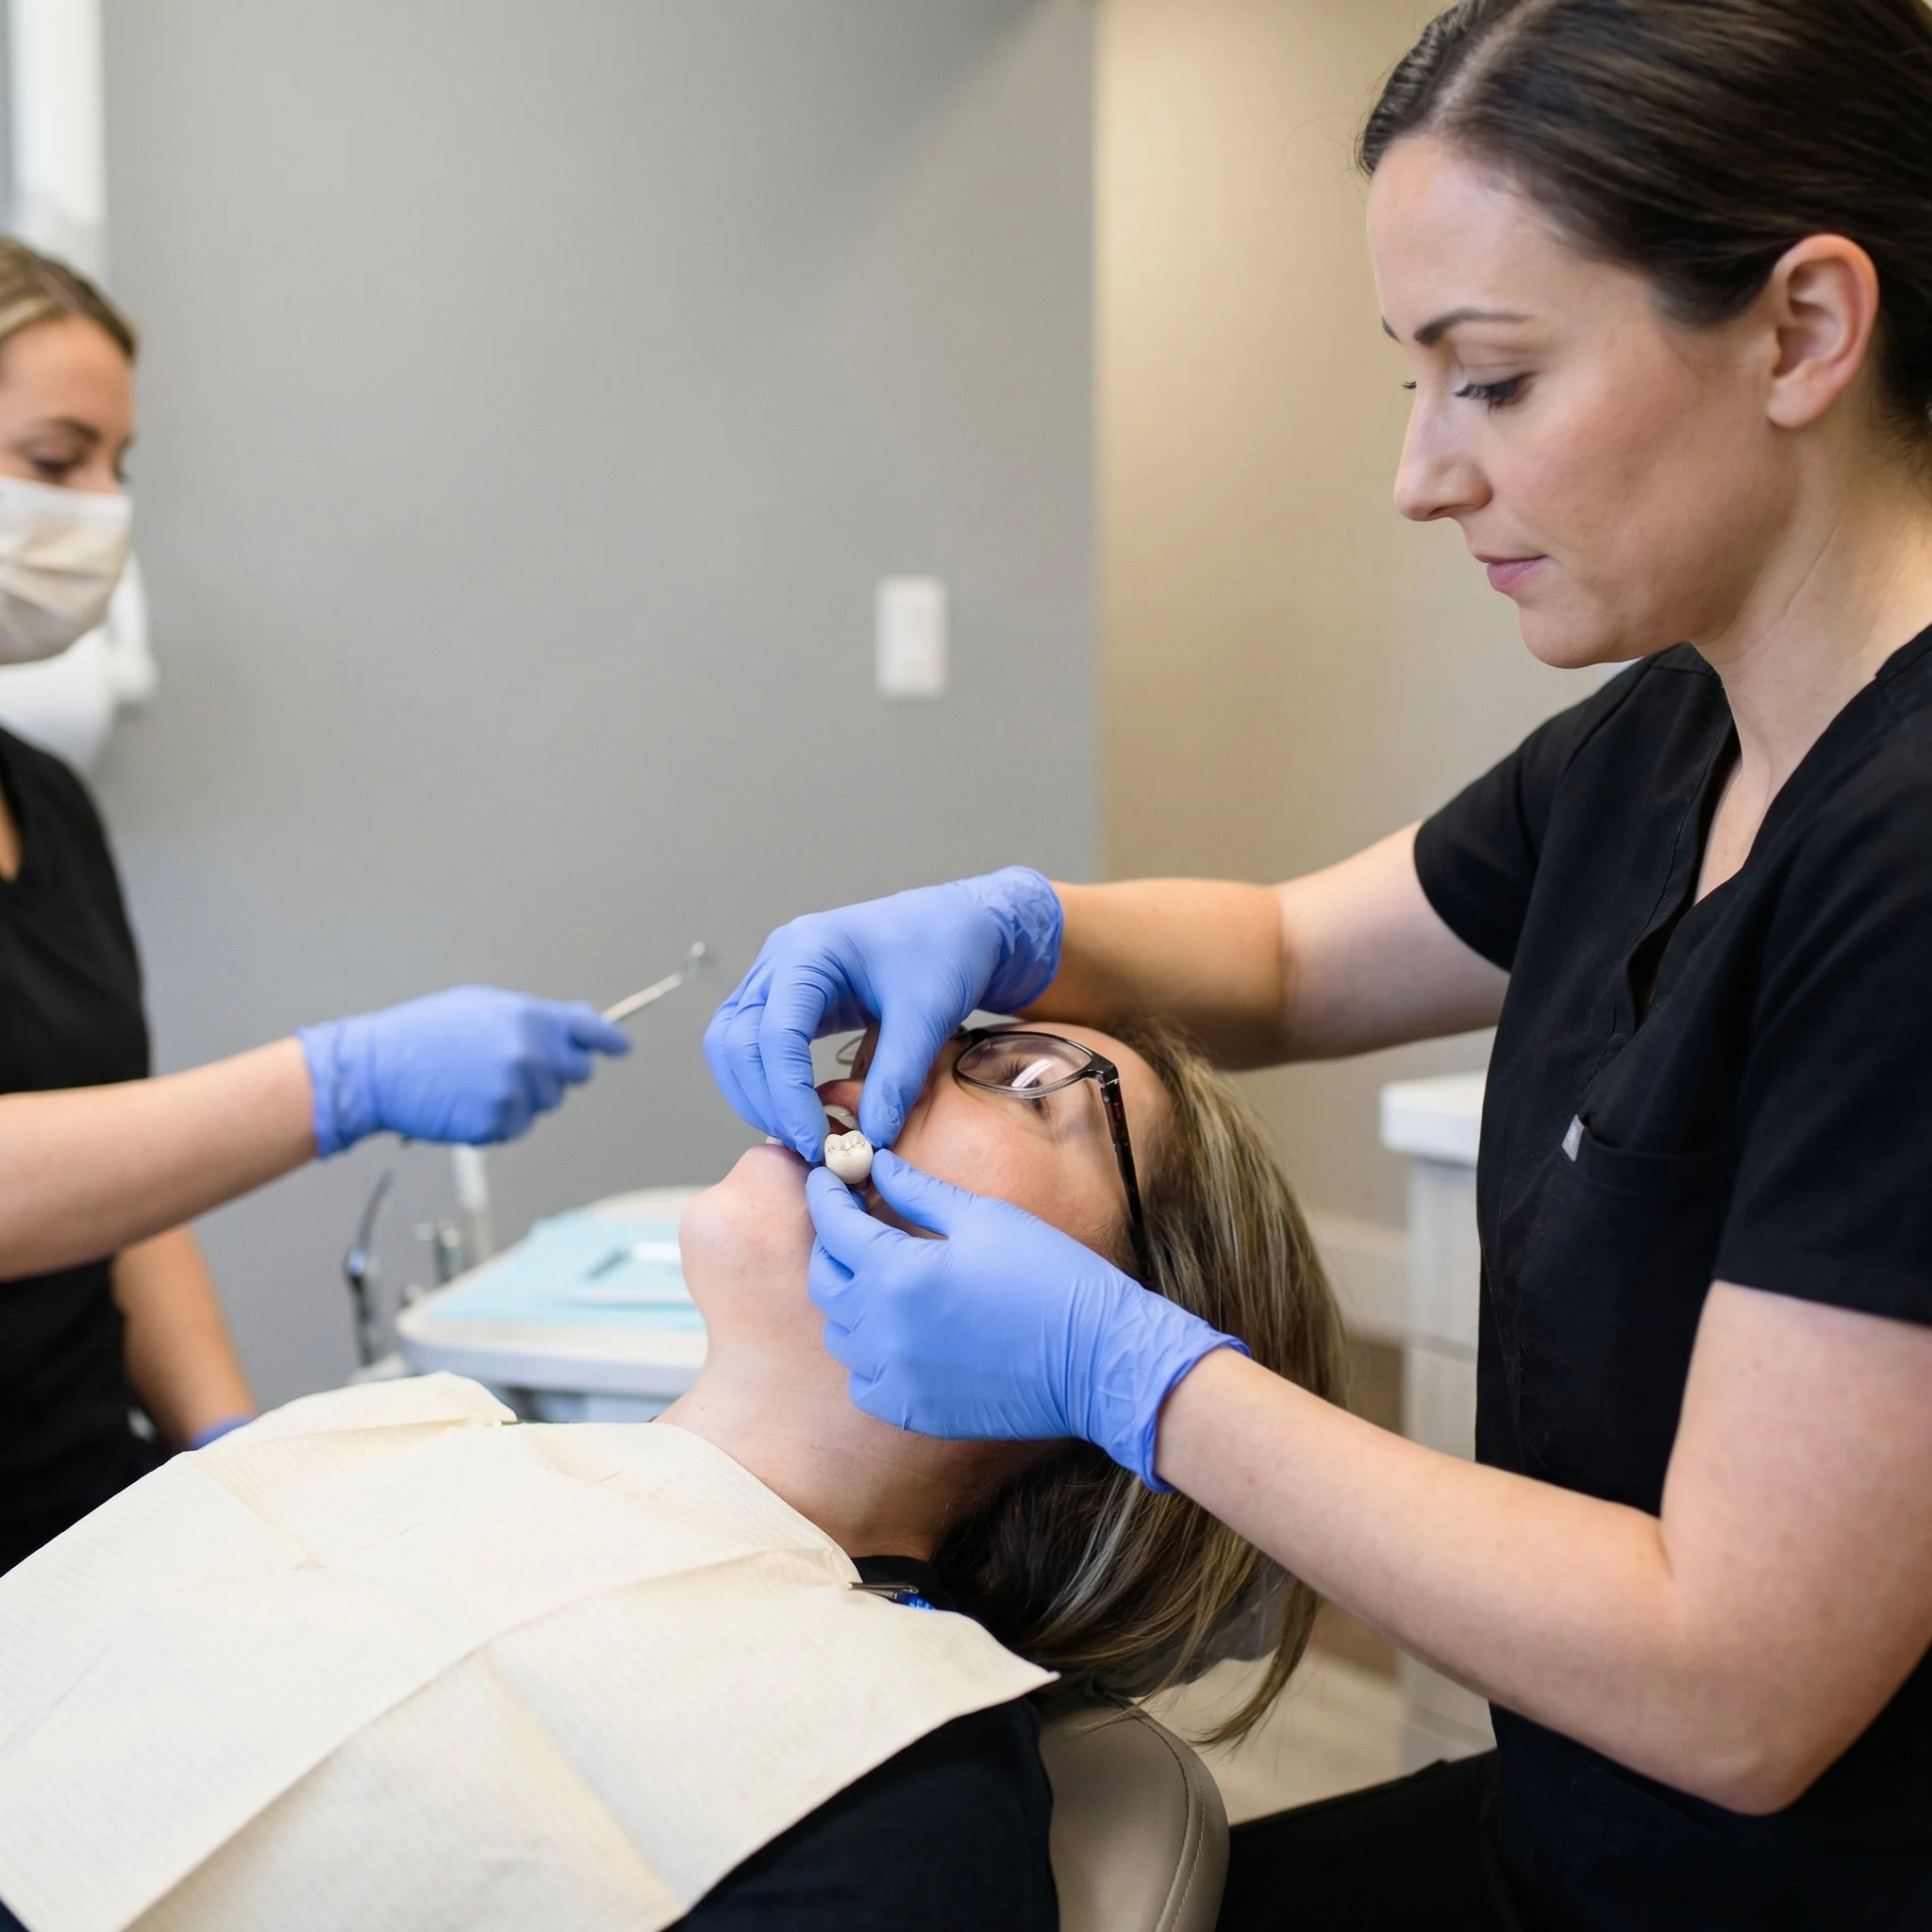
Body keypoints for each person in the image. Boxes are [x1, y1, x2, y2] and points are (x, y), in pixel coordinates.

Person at [706, 1, 1932, 1924]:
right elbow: (1282, 956)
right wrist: (1022, 925)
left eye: (1493, 382)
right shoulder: (1672, 733)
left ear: (1801, 329)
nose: (1420, 478)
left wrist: (1134, 1374)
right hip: (1579, 1835)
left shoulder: (1906, 854)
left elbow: (1741, 1687)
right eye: (1410, 382)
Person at [0, 1019, 1342, 1932]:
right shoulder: (397, 1436)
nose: (895, 1058)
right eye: (934, 1026)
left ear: (1111, 1333)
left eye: (1030, 1080)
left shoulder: (893, 1786)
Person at [0, 236, 628, 1572]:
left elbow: (122, 1177)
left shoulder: (43, 802)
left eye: (119, 468)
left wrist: (229, 1452)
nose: (102, 513)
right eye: (57, 464)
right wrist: (342, 1082)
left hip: (80, 1511)